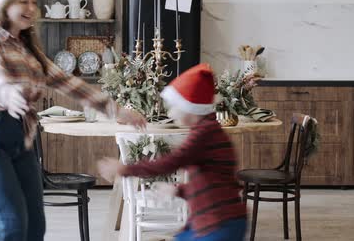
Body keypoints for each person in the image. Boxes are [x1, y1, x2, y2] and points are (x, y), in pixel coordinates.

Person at [0, 0, 146, 241]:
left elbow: (71, 84)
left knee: (34, 229)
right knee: (11, 228)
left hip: (19, 140)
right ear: (4, 5)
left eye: (33, 1)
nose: (30, 8)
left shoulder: (30, 51)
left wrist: (117, 111)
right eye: (22, 2)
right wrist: (10, 95)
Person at [98, 64, 247, 241]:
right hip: (221, 219)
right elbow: (210, 179)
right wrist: (180, 190)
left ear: (190, 107)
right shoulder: (209, 130)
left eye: (175, 105)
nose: (171, 112)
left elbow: (170, 162)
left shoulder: (203, 134)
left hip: (220, 222)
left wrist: (124, 169)